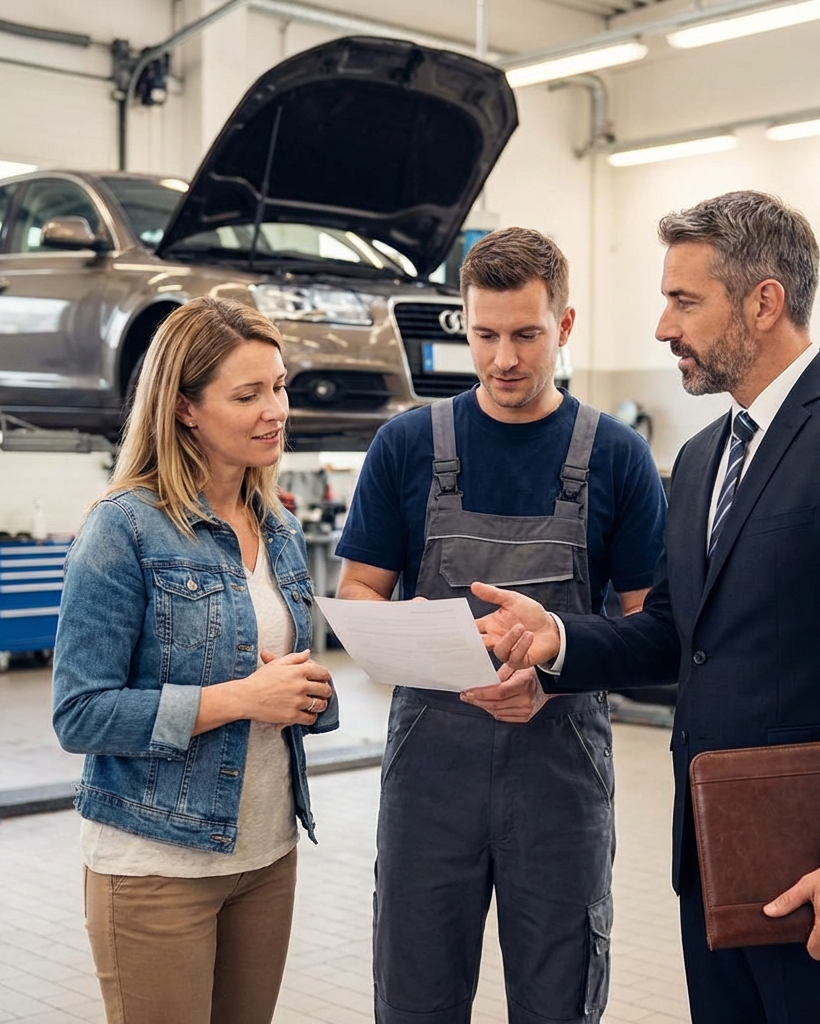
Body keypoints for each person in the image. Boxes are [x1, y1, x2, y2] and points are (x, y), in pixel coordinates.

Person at [473, 192, 820, 1024]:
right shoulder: (702, 457)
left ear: (764, 302)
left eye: (684, 301)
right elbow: (676, 633)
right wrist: (557, 640)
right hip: (718, 860)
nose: (664, 327)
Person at [334, 226, 667, 1024]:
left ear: (566, 324)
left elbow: (653, 629)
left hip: (560, 775)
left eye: (526, 335)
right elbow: (358, 593)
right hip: (429, 777)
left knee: (558, 1001)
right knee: (416, 997)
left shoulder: (617, 457)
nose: (504, 359)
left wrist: (552, 678)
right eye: (484, 336)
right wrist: (410, 625)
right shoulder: (406, 447)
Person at [52, 296, 338, 1024]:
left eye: (279, 386)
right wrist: (242, 698)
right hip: (157, 863)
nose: (275, 410)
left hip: (266, 855)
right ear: (184, 408)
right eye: (247, 395)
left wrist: (308, 694)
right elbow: (80, 714)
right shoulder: (123, 529)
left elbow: (278, 679)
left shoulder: (277, 527)